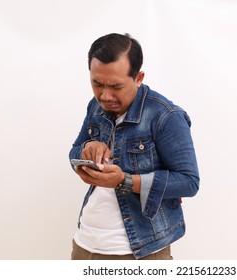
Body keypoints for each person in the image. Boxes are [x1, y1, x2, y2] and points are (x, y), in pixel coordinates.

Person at [69, 33, 199, 260]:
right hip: (85, 243)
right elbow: (74, 151)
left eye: (116, 86)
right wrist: (87, 148)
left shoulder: (166, 116)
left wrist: (124, 180)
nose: (105, 95)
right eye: (96, 83)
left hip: (140, 251)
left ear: (138, 78)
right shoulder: (95, 106)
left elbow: (189, 182)